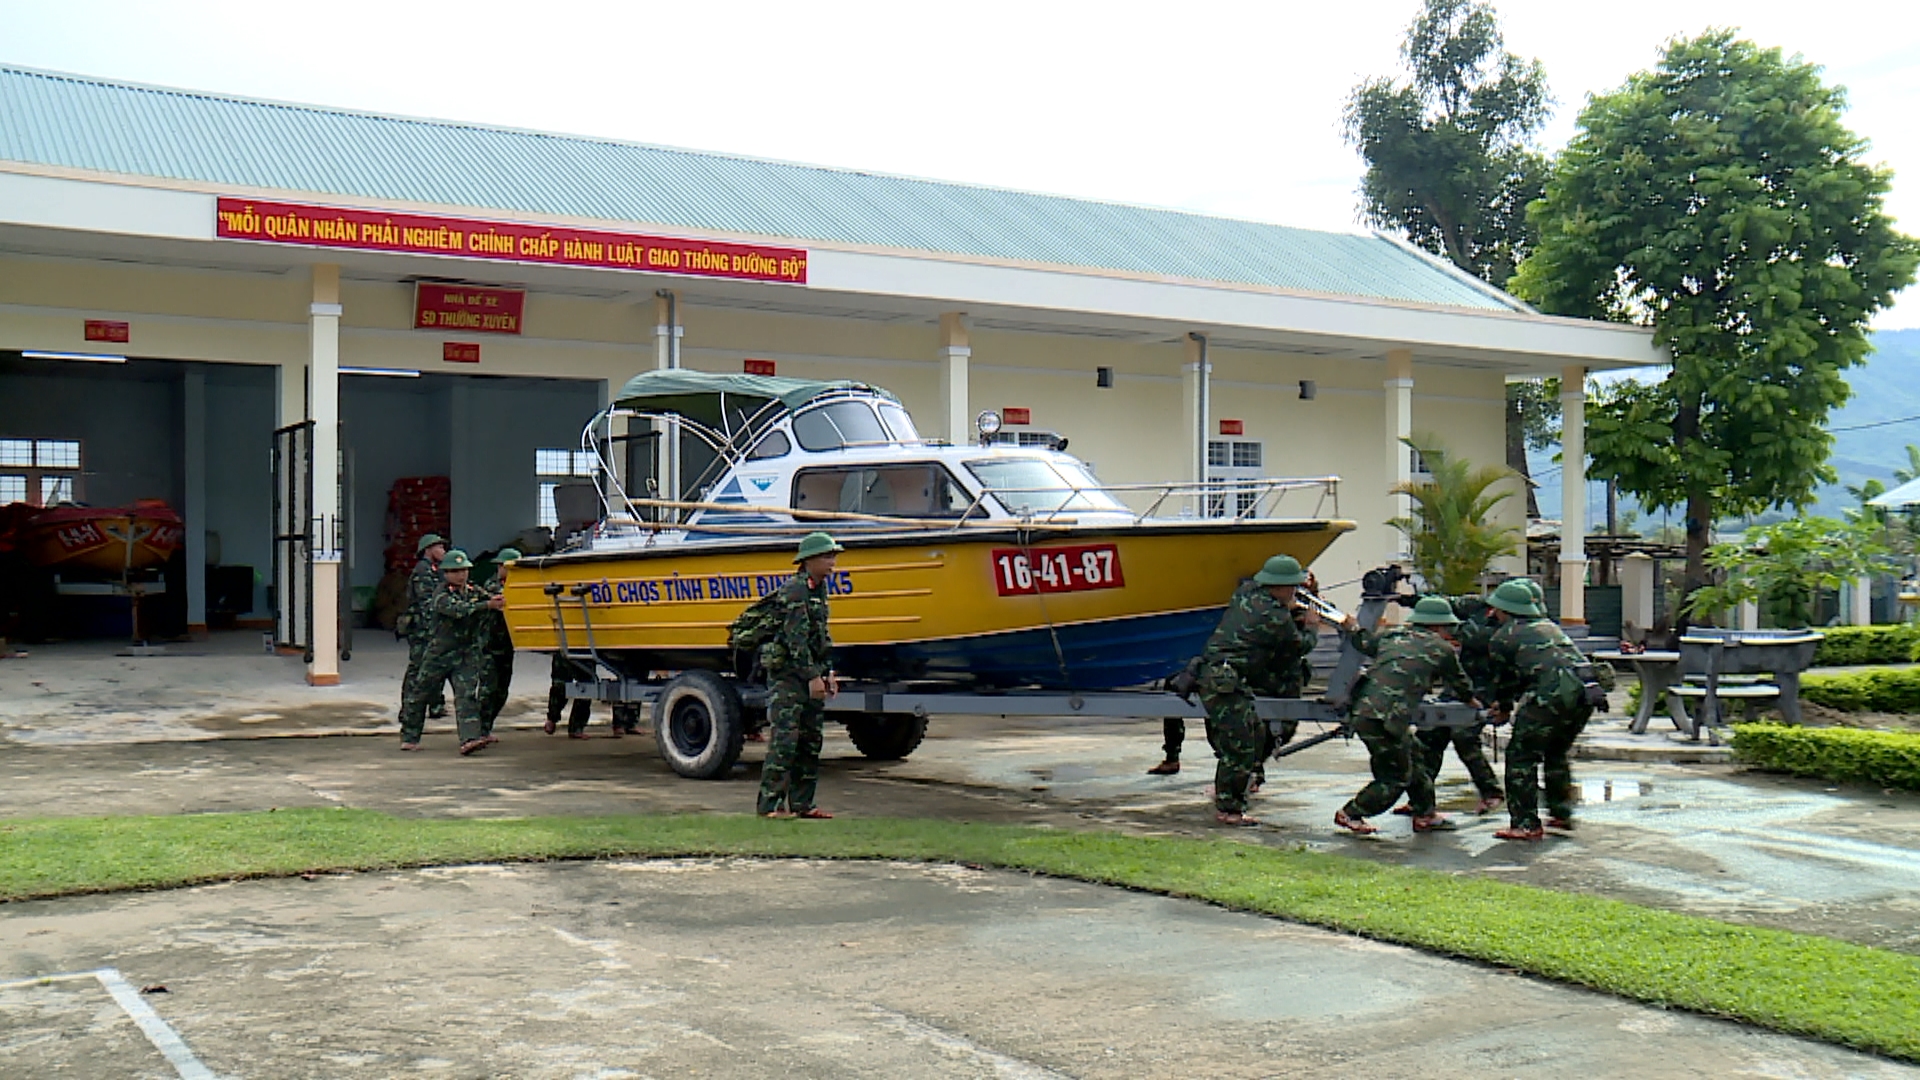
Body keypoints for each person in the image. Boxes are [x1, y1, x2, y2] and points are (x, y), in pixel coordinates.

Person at [1196, 554, 1350, 826]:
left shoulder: (1245, 594)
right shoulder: (1275, 616)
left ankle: (1230, 802)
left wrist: (1291, 606)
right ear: (1280, 587)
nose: (1294, 592)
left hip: (1217, 673)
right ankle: (1230, 809)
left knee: (1248, 738)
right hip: (1224, 681)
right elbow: (1298, 646)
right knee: (1241, 748)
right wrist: (1312, 627)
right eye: (1292, 587)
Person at [1335, 596, 1476, 835]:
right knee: (1396, 776)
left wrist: (1352, 628)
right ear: (1437, 626)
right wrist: (1474, 703)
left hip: (1366, 712)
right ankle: (1351, 813)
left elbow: (1365, 642)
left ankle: (1425, 813)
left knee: (1417, 757)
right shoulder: (1442, 649)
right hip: (1386, 719)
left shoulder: (1392, 636)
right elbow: (1460, 683)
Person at [1483, 579, 1599, 841]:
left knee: (1521, 757)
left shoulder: (1504, 637)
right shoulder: (1550, 627)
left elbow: (1505, 682)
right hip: (1584, 695)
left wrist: (1502, 708)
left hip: (1547, 700)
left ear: (1504, 609)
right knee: (1556, 752)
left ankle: (1525, 824)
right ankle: (1561, 812)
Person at [1393, 590, 1508, 816]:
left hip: (1486, 688)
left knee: (1464, 737)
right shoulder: (1477, 605)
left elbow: (1473, 636)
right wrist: (1409, 599)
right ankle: (1420, 799)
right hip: (1457, 682)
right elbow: (1446, 603)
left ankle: (1491, 792)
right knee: (1428, 736)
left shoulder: (1507, 627)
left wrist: (1437, 625)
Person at [756, 531, 843, 819]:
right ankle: (770, 805)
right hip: (788, 676)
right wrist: (811, 676)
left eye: (833, 556)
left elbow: (820, 637)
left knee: (810, 739)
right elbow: (796, 640)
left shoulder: (819, 590)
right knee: (785, 740)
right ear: (810, 560)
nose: (833, 562)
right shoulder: (795, 590)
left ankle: (804, 803)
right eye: (828, 556)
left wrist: (828, 672)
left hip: (809, 673)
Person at [397, 549, 504, 755]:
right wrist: (487, 605)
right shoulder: (441, 594)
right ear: (446, 574)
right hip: (440, 653)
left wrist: (497, 601)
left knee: (466, 696)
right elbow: (459, 610)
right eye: (455, 571)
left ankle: (470, 739)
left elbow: (491, 599)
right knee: (421, 693)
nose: (460, 575)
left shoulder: (473, 591)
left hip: (465, 654)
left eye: (463, 570)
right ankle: (410, 736)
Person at [397, 533, 449, 722]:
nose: (443, 551)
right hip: (422, 630)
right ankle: (408, 710)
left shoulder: (437, 570)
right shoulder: (422, 571)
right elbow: (427, 604)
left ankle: (436, 705)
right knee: (417, 670)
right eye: (439, 547)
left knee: (437, 668)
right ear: (428, 550)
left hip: (433, 629)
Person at [475, 548, 520, 744]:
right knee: (487, 690)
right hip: (488, 646)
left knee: (502, 690)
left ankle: (486, 727)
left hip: (507, 646)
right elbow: (505, 599)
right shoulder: (491, 586)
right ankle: (479, 730)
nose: (502, 569)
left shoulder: (518, 586)